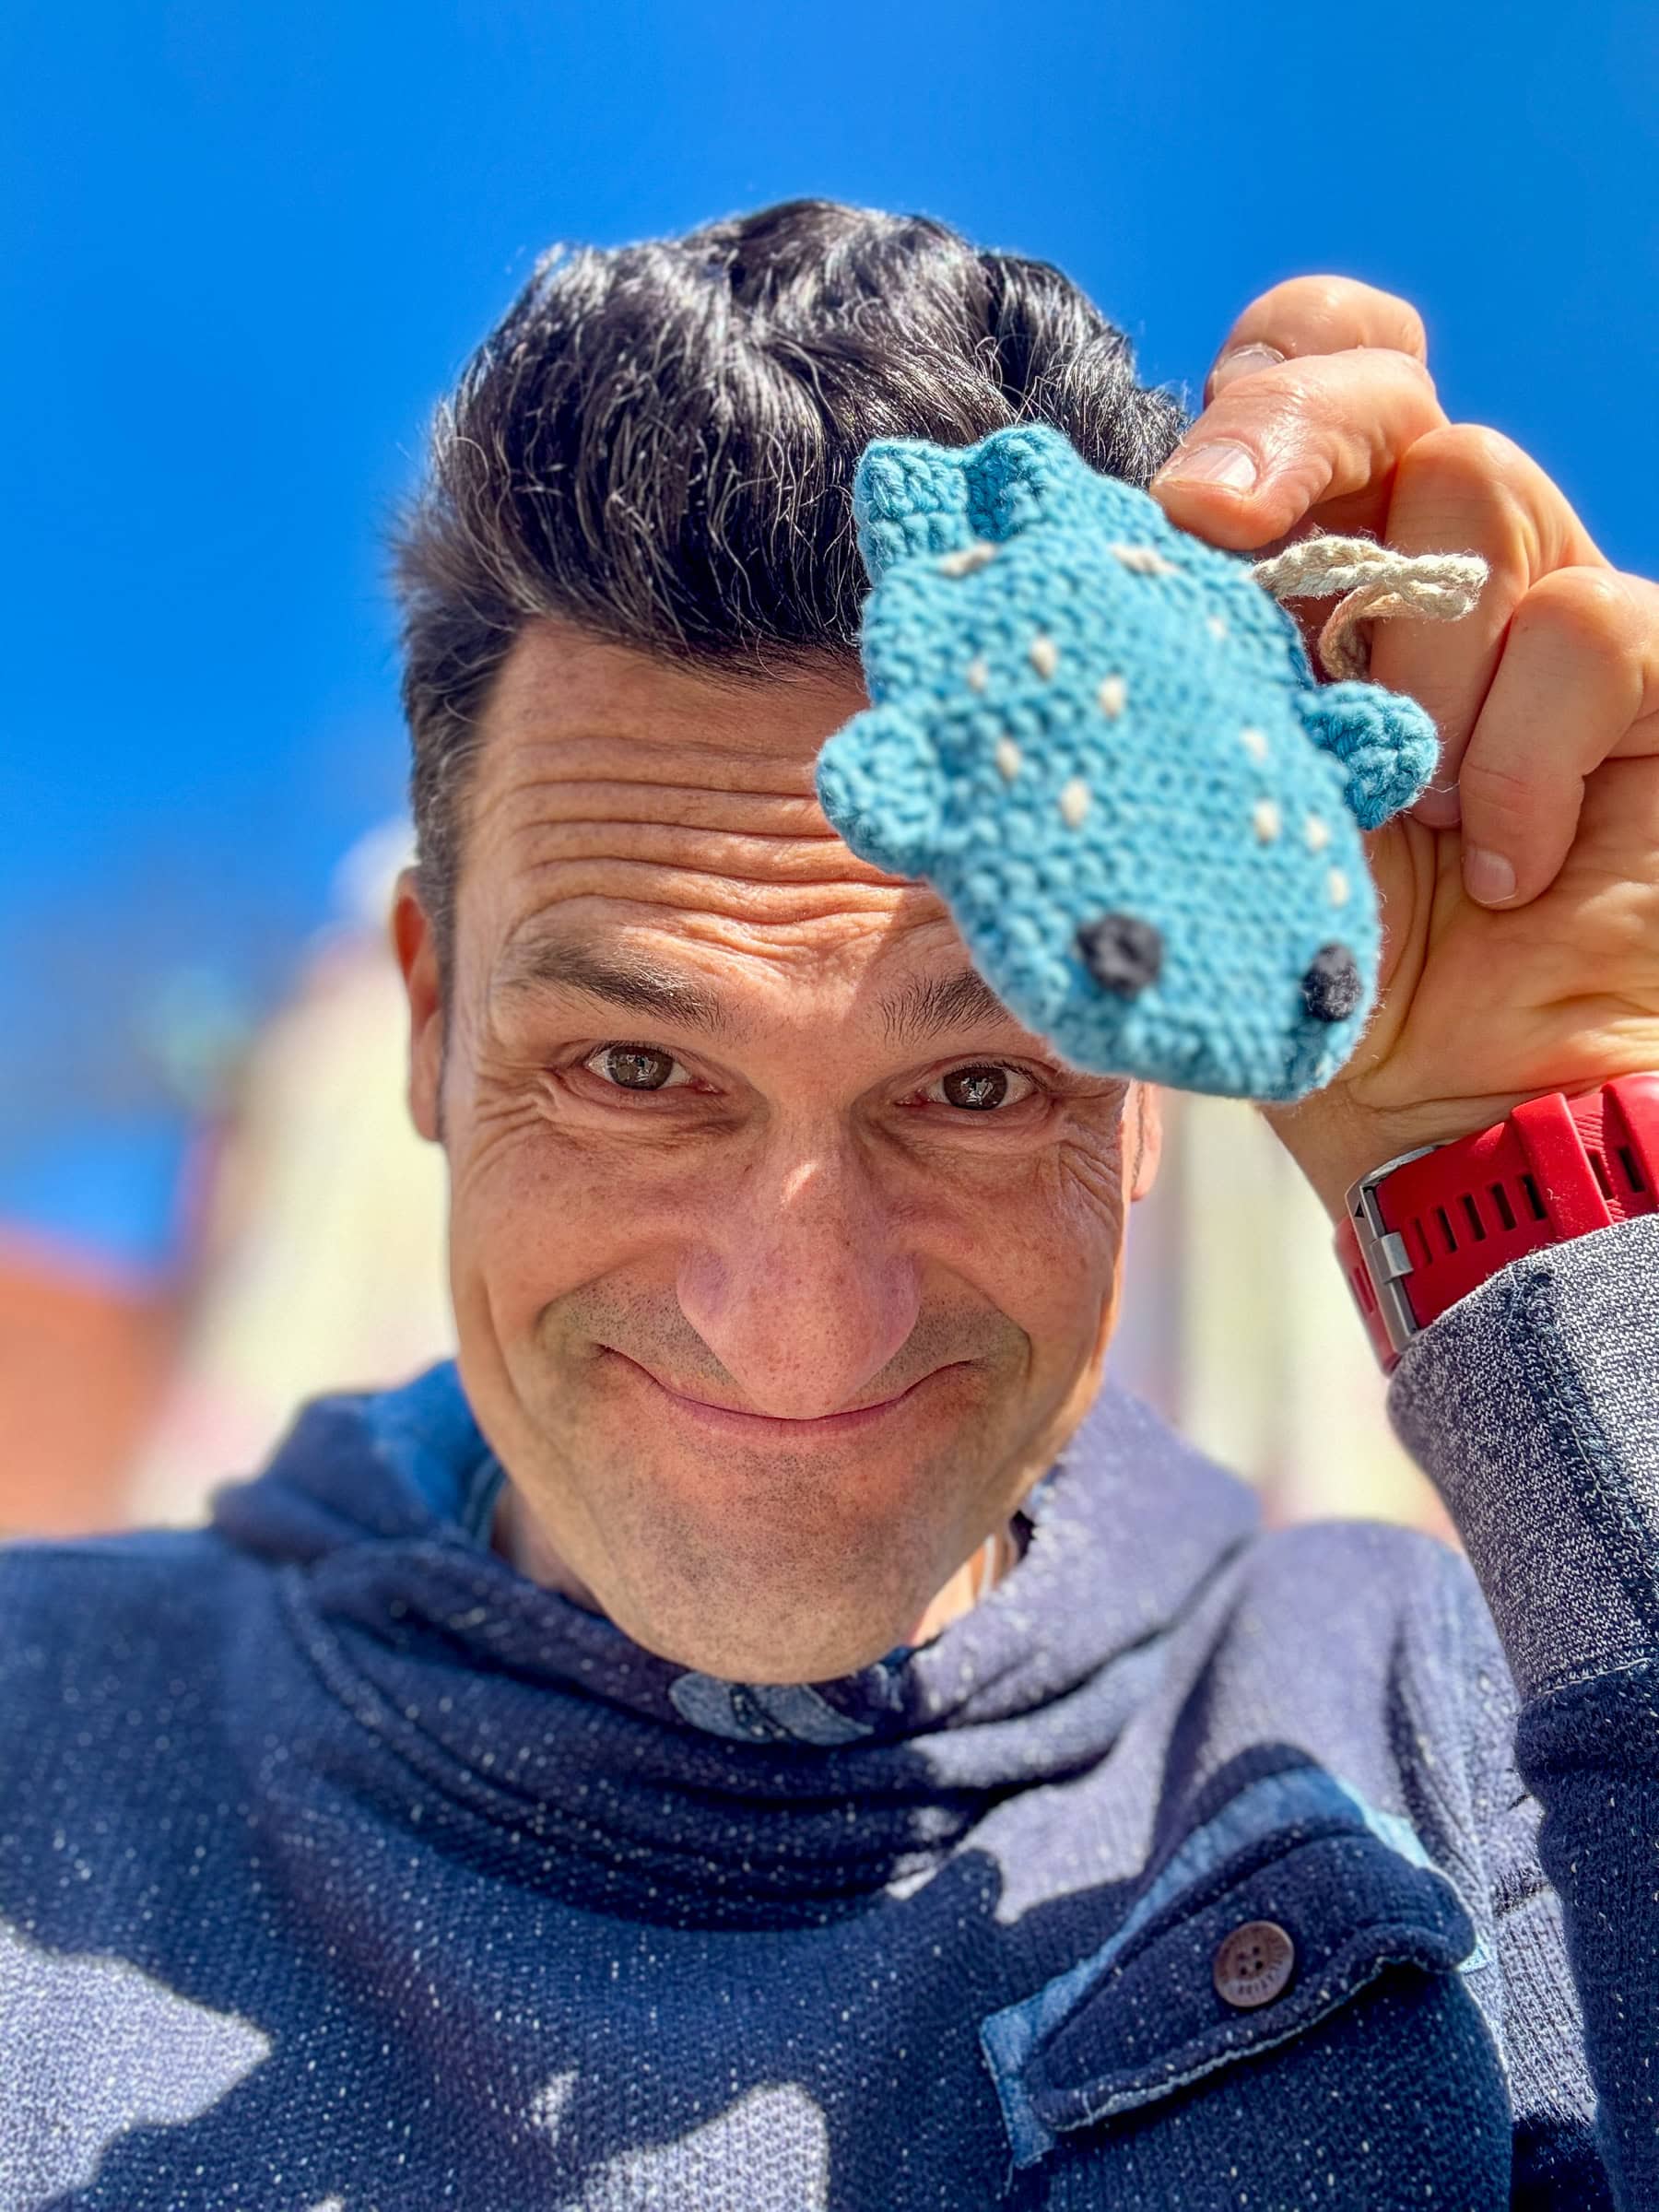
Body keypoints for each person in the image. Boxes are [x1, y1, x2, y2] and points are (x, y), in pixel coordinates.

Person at [3, 200, 1657, 2211]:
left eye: (979, 1086)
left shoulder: (1494, 1738)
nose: (799, 1320)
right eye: (636, 1070)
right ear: (432, 1021)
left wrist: (1555, 1157)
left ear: (1138, 1095)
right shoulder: (37, 1750)